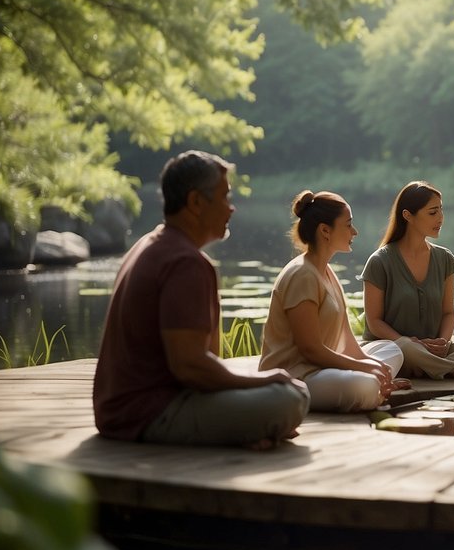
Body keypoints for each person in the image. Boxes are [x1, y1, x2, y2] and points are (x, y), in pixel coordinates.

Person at [93, 151, 308, 449]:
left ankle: (241, 427)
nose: (231, 209)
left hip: (121, 409)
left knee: (272, 384)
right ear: (195, 202)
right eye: (224, 197)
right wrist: (265, 382)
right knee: (290, 398)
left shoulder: (150, 243)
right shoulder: (185, 262)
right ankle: (243, 428)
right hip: (146, 414)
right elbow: (189, 366)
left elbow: (193, 366)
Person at [260, 191, 409, 412]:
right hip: (297, 377)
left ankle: (375, 385)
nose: (355, 231)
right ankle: (372, 389)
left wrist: (374, 366)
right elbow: (310, 350)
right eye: (349, 225)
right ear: (325, 231)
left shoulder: (327, 271)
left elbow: (347, 341)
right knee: (365, 384)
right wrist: (365, 369)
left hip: (324, 370)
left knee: (391, 351)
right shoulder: (302, 275)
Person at [360, 181, 454, 379]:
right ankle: (451, 370)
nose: (441, 218)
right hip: (392, 349)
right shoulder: (379, 261)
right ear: (408, 216)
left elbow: (448, 312)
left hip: (432, 351)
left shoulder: (444, 259)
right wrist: (409, 342)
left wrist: (443, 343)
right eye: (433, 212)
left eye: (441, 211)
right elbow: (374, 322)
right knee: (406, 348)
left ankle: (431, 367)